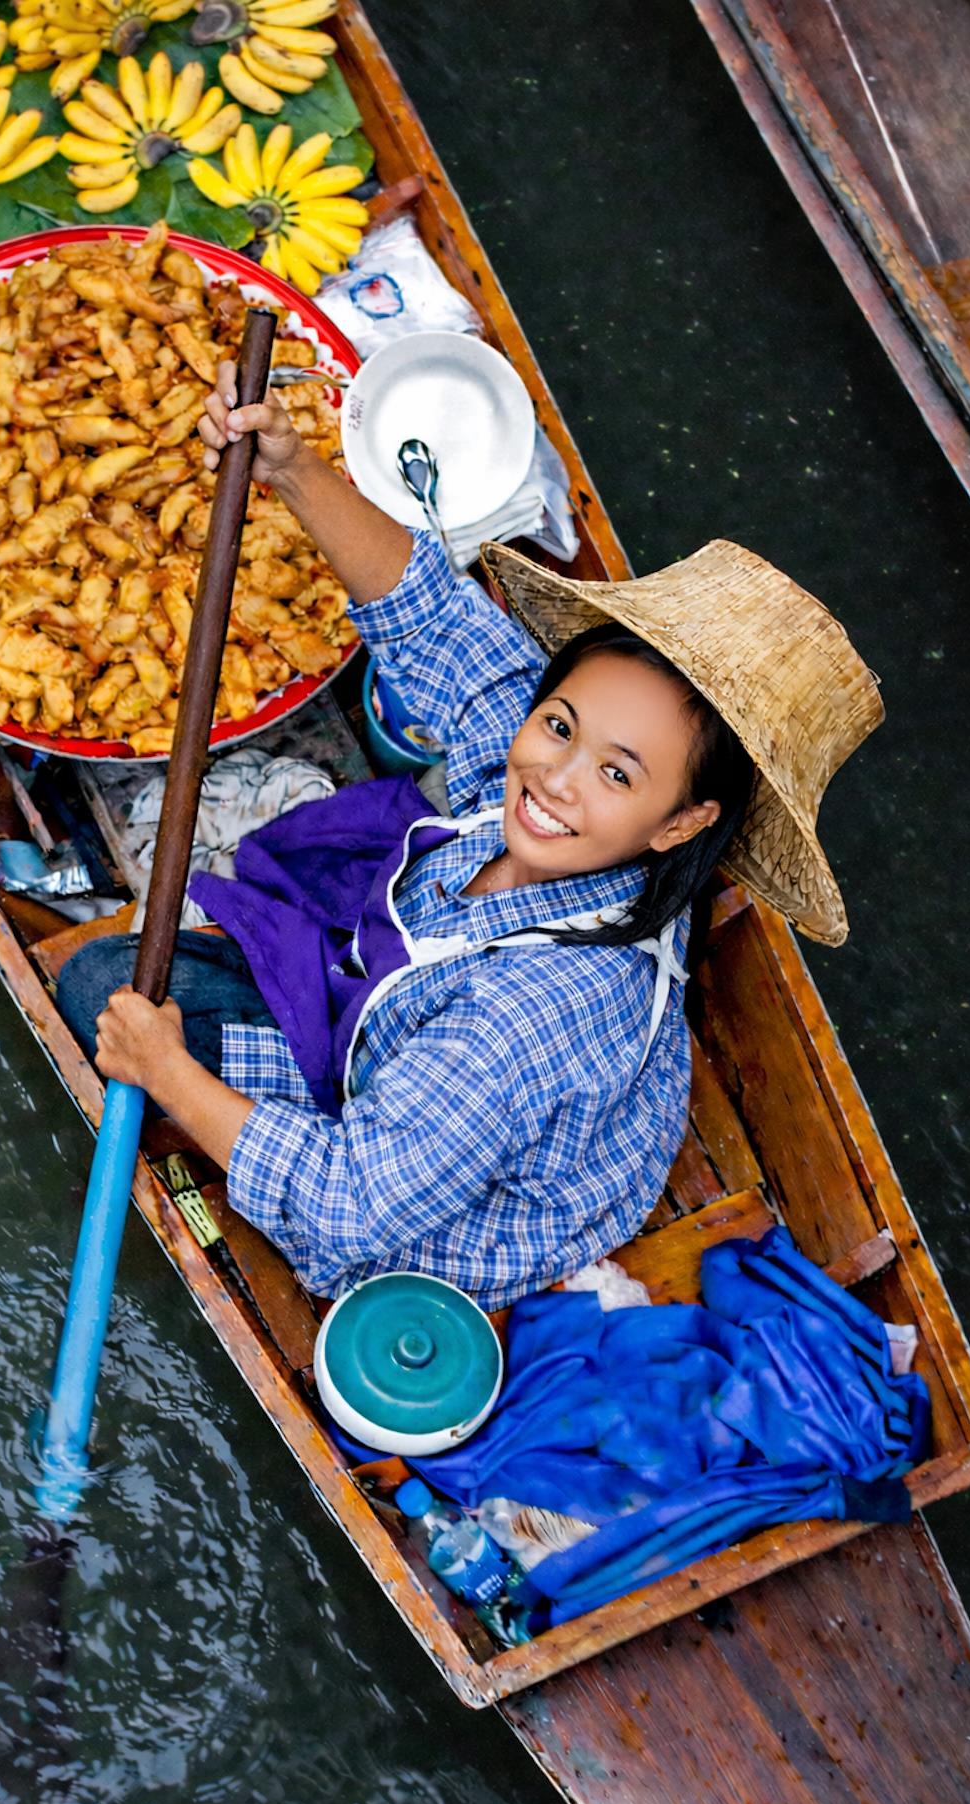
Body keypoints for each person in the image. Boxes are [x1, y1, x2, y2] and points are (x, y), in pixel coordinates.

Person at [56, 369, 883, 1309]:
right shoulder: (555, 786)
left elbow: (352, 1203)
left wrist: (160, 1066)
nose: (555, 782)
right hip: (438, 1059)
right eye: (561, 725)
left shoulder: (532, 1018)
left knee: (98, 990)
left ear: (684, 823)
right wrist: (292, 467)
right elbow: (433, 620)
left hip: (425, 1215)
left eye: (618, 775)